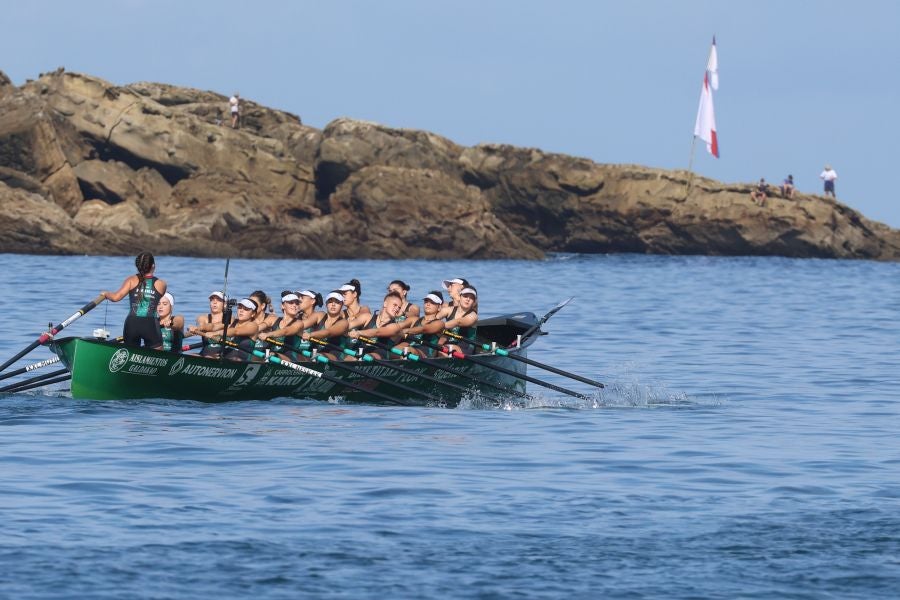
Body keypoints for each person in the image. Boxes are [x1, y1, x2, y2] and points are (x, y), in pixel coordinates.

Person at [100, 252, 167, 348]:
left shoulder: (131, 280)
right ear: (153, 266)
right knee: (158, 354)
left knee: (129, 352)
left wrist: (106, 294)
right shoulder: (161, 284)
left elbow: (115, 298)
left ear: (138, 266)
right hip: (150, 323)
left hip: (132, 324)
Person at [347, 292, 406, 359]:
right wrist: (344, 330)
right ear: (385, 304)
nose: (397, 309)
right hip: (362, 350)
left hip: (380, 355)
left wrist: (359, 333)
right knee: (349, 357)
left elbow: (377, 332)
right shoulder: (367, 317)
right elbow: (347, 326)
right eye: (395, 305)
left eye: (399, 307)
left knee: (368, 356)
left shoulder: (395, 327)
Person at [396, 290, 446, 358]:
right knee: (395, 348)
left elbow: (424, 329)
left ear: (439, 307)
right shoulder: (414, 319)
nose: (428, 304)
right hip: (409, 349)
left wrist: (406, 331)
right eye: (426, 301)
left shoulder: (440, 323)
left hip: (426, 354)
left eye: (432, 303)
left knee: (407, 350)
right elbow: (397, 326)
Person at [302, 291, 350, 360]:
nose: (333, 304)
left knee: (315, 356)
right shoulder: (319, 315)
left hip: (336, 356)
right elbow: (301, 325)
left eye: (337, 302)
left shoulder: (344, 322)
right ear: (326, 304)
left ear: (342, 304)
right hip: (316, 354)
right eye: (330, 302)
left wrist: (310, 334)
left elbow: (328, 332)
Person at [186, 291, 227, 358]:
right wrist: (198, 328)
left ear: (225, 304)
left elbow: (214, 326)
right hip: (205, 355)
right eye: (212, 300)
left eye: (218, 300)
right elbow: (202, 325)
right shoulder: (203, 317)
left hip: (224, 357)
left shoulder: (231, 319)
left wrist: (200, 329)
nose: (214, 302)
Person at [440, 287, 479, 355]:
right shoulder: (448, 310)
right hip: (449, 345)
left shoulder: (473, 316)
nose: (468, 299)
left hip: (466, 349)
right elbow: (433, 320)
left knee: (446, 348)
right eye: (465, 296)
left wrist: (437, 327)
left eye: (471, 298)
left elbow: (458, 322)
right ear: (459, 297)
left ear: (474, 302)